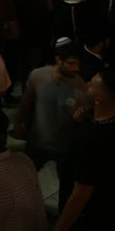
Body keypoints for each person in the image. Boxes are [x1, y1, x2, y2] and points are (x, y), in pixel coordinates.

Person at [54, 68, 115, 231]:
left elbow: (81, 194)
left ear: (99, 99)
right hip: (107, 208)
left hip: (87, 217)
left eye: (92, 85)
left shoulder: (92, 139)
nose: (87, 85)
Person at [14, 37, 88, 206]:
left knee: (66, 187)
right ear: (58, 60)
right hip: (37, 142)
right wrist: (19, 123)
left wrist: (81, 116)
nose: (76, 68)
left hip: (64, 146)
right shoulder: (38, 76)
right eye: (71, 63)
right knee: (25, 180)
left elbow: (83, 117)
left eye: (77, 64)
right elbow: (26, 102)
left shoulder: (80, 86)